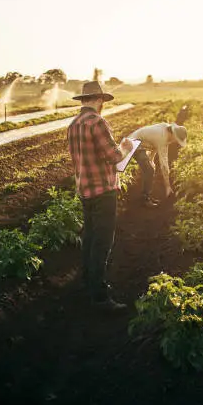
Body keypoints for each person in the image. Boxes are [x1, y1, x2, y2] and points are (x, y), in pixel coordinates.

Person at [67, 81, 133, 311]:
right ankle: (100, 297)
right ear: (99, 100)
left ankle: (86, 282)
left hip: (84, 189)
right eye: (102, 100)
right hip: (103, 191)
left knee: (90, 238)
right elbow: (115, 157)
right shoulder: (97, 122)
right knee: (102, 243)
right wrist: (125, 146)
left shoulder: (73, 124)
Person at [129, 122, 187, 207]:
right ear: (173, 134)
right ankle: (145, 199)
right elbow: (163, 163)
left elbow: (154, 145)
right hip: (133, 144)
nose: (175, 142)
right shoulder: (162, 137)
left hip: (140, 144)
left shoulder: (165, 130)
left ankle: (147, 195)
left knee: (150, 168)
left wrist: (151, 159)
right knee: (149, 170)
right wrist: (167, 186)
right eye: (176, 139)